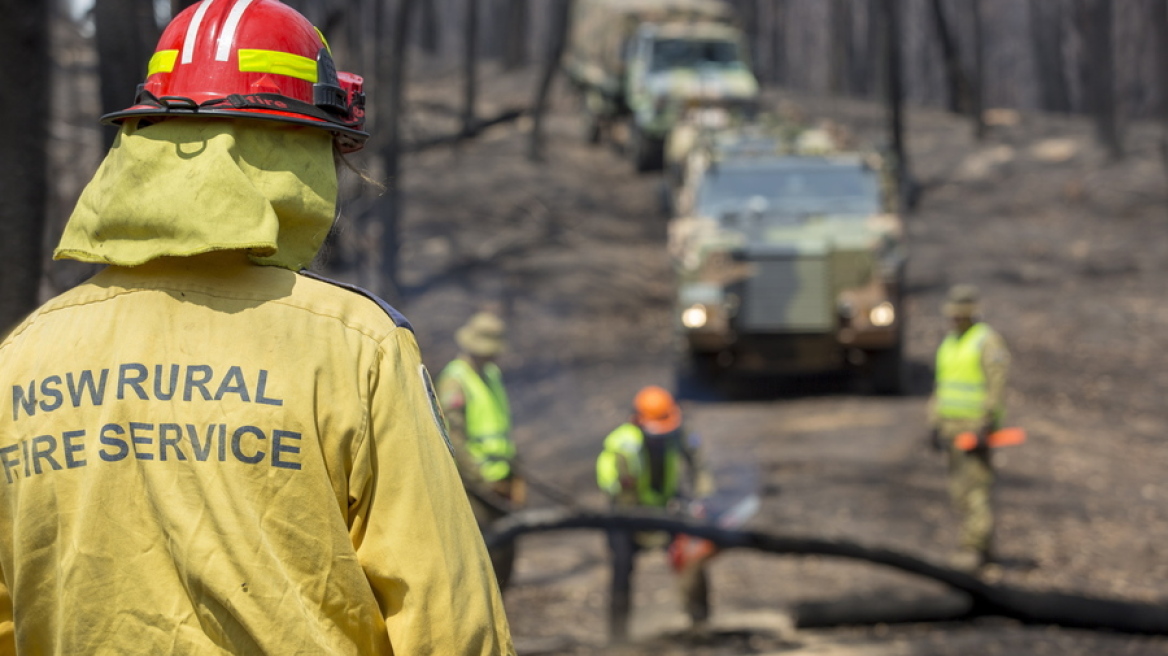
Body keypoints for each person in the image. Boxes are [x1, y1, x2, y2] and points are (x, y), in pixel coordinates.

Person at [0, 1, 513, 653]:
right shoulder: (357, 346)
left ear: (144, 146)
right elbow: (448, 621)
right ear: (294, 154)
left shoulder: (23, 355)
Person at [596, 385, 715, 641]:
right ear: (637, 420)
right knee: (621, 571)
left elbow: (698, 462)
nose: (661, 434)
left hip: (667, 509)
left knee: (691, 556)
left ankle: (701, 623)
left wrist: (701, 498)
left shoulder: (678, 432)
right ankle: (618, 638)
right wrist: (623, 480)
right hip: (627, 516)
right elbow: (609, 482)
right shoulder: (622, 444)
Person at [437, 311, 525, 590]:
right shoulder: (455, 381)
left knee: (506, 556)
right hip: (474, 487)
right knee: (483, 559)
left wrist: (515, 475)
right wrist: (481, 480)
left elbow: (501, 431)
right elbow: (455, 439)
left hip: (501, 479)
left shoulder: (491, 374)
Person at [927, 284, 1011, 571]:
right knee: (959, 491)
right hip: (951, 428)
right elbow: (941, 386)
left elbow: (996, 387)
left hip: (974, 429)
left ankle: (973, 549)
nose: (953, 319)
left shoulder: (986, 341)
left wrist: (985, 425)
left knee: (975, 490)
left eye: (958, 314)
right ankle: (982, 548)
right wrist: (934, 423)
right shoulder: (950, 342)